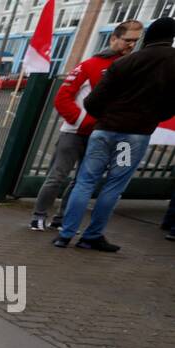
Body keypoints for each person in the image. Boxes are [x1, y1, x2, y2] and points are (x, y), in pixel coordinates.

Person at [55, 17, 175, 252]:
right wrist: (152, 117)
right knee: (114, 184)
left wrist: (105, 117)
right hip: (132, 137)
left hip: (105, 131)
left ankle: (65, 234)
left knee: (85, 181)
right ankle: (92, 236)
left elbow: (93, 101)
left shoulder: (124, 63)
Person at [30, 20, 144, 231]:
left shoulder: (131, 66)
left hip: (103, 135)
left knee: (81, 181)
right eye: (127, 40)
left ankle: (62, 219)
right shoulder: (89, 65)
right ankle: (39, 215)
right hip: (74, 133)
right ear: (114, 38)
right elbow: (62, 98)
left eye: (135, 41)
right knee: (56, 177)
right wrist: (84, 121)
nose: (131, 45)